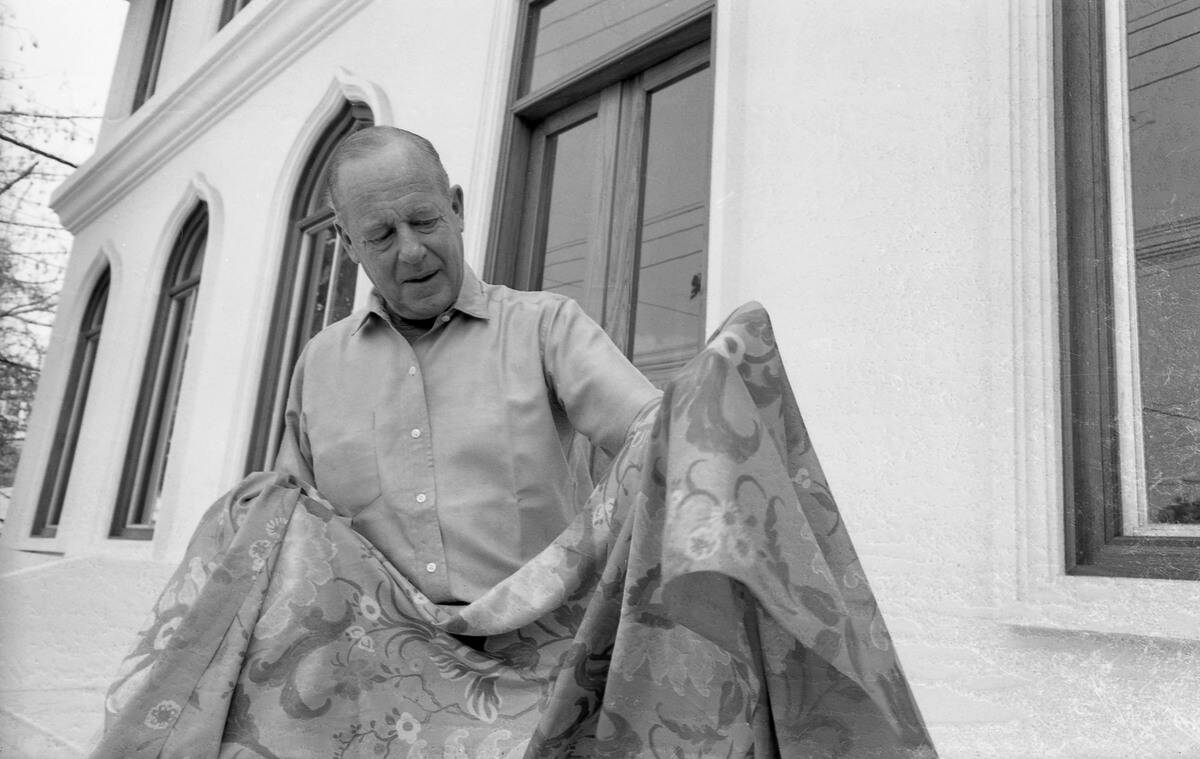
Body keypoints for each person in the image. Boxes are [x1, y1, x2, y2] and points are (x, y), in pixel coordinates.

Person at [271, 125, 660, 603]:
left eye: (423, 220)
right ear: (348, 244)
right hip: (374, 666)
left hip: (535, 657)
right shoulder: (320, 366)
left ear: (455, 209)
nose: (411, 251)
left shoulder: (545, 328)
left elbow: (657, 436)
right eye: (381, 235)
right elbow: (287, 524)